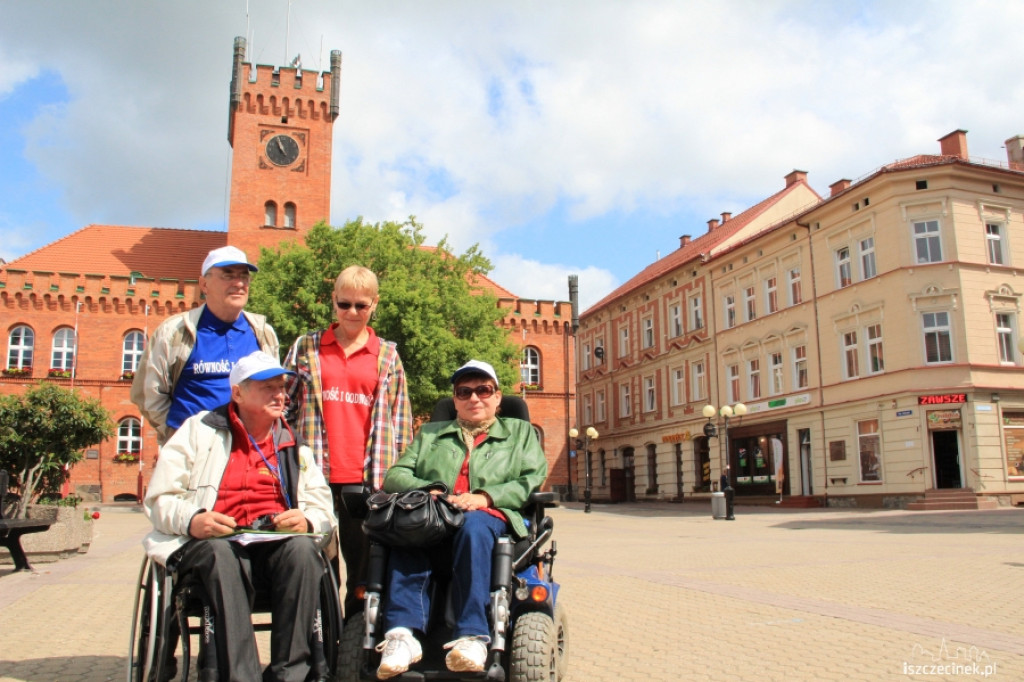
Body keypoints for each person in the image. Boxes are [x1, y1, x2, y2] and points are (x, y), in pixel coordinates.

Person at [143, 350, 336, 682]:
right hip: (213, 542)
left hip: (274, 543)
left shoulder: (292, 443)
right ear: (237, 392)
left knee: (305, 551)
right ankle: (239, 676)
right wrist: (193, 519)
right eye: (267, 387)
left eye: (281, 387)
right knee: (221, 555)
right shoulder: (198, 431)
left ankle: (290, 675)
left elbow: (322, 508)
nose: (279, 394)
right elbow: (160, 499)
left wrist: (307, 521)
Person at [374, 360, 548, 680]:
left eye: (483, 390)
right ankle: (402, 635)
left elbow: (533, 477)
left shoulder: (520, 433)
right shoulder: (430, 434)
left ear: (497, 397)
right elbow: (395, 476)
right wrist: (431, 491)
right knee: (407, 529)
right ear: (455, 400)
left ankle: (473, 636)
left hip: (489, 517)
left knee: (473, 526)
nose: (474, 398)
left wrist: (486, 497)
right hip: (436, 514)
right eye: (464, 392)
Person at [283, 265, 412, 615]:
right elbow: (284, 408)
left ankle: (353, 648)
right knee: (317, 566)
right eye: (344, 304)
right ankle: (319, 646)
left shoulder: (387, 355)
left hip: (366, 480)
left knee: (363, 574)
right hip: (315, 477)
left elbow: (401, 423)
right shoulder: (306, 348)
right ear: (333, 302)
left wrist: (400, 479)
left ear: (375, 305)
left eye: (361, 305)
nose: (352, 313)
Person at [131, 245, 279, 446]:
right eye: (228, 275)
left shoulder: (263, 333)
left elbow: (274, 390)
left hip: (249, 449)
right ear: (204, 284)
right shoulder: (176, 331)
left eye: (244, 276)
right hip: (194, 450)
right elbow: (148, 394)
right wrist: (179, 436)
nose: (239, 283)